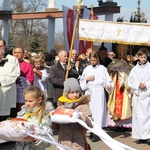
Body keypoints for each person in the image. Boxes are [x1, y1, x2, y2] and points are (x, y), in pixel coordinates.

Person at [80, 51, 113, 142]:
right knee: (90, 112)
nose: (93, 62)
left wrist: (108, 86)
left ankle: (96, 133)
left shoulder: (102, 68)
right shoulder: (87, 69)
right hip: (90, 92)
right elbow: (82, 82)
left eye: (94, 60)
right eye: (91, 60)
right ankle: (91, 131)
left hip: (99, 93)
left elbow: (108, 81)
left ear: (97, 59)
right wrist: (87, 79)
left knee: (98, 112)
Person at [57, 78, 93, 150]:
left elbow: (90, 123)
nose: (75, 95)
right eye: (72, 92)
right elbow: (55, 127)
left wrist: (83, 118)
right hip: (63, 144)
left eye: (77, 92)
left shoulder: (83, 106)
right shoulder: (61, 106)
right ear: (66, 93)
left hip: (77, 144)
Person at [15, 85, 53, 150]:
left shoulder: (43, 117)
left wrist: (36, 139)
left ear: (39, 100)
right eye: (26, 100)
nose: (27, 103)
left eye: (30, 101)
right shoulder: (22, 114)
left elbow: (48, 140)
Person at [128, 47, 150, 144]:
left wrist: (147, 85)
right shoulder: (134, 69)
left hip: (147, 95)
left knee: (147, 116)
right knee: (138, 116)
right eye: (141, 57)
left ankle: (147, 136)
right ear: (138, 57)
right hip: (138, 95)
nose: (143, 59)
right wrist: (138, 85)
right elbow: (130, 81)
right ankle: (140, 136)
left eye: (145, 57)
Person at [0, 39, 20, 121]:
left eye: (1, 46)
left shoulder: (12, 60)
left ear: (5, 47)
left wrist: (1, 81)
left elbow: (15, 75)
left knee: (5, 119)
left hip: (7, 93)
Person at [13, 47, 34, 111]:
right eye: (15, 52)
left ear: (23, 54)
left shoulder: (28, 65)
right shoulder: (8, 64)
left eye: (19, 53)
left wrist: (20, 79)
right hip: (10, 92)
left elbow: (30, 80)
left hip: (21, 92)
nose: (17, 54)